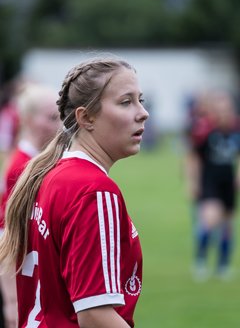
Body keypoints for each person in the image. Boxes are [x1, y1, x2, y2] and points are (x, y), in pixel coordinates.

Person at [0, 57, 149, 327]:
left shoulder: (51, 175)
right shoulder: (93, 190)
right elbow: (94, 315)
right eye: (126, 102)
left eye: (141, 99)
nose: (142, 112)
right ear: (85, 117)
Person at [0, 84, 61, 328]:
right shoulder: (23, 166)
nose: (59, 126)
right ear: (28, 119)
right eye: (51, 118)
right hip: (14, 270)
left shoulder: (32, 160)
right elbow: (7, 233)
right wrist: (12, 300)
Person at [185, 91, 240, 280]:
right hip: (209, 182)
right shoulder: (205, 130)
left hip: (228, 184)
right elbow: (193, 158)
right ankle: (200, 261)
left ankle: (223, 265)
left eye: (227, 109)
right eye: (220, 110)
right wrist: (192, 182)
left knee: (227, 226)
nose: (224, 113)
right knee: (209, 220)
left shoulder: (236, 128)